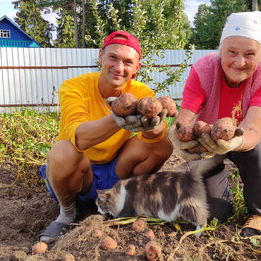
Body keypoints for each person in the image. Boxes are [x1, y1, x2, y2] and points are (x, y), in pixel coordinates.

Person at [38, 31, 173, 244]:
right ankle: (67, 212)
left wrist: (153, 126)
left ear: (137, 68)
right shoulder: (74, 87)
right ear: (100, 57)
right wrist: (116, 119)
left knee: (163, 144)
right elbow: (79, 138)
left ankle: (123, 200)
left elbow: (156, 141)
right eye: (113, 58)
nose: (119, 68)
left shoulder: (140, 92)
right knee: (62, 150)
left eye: (128, 62)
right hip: (80, 173)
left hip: (115, 171)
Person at [167, 11, 261, 238]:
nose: (239, 62)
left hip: (243, 143)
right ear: (221, 51)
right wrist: (176, 134)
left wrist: (233, 142)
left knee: (255, 151)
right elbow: (186, 117)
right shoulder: (203, 70)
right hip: (206, 143)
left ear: (260, 55)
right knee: (217, 215)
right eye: (232, 52)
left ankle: (260, 213)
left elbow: (252, 128)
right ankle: (212, 186)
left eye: (250, 54)